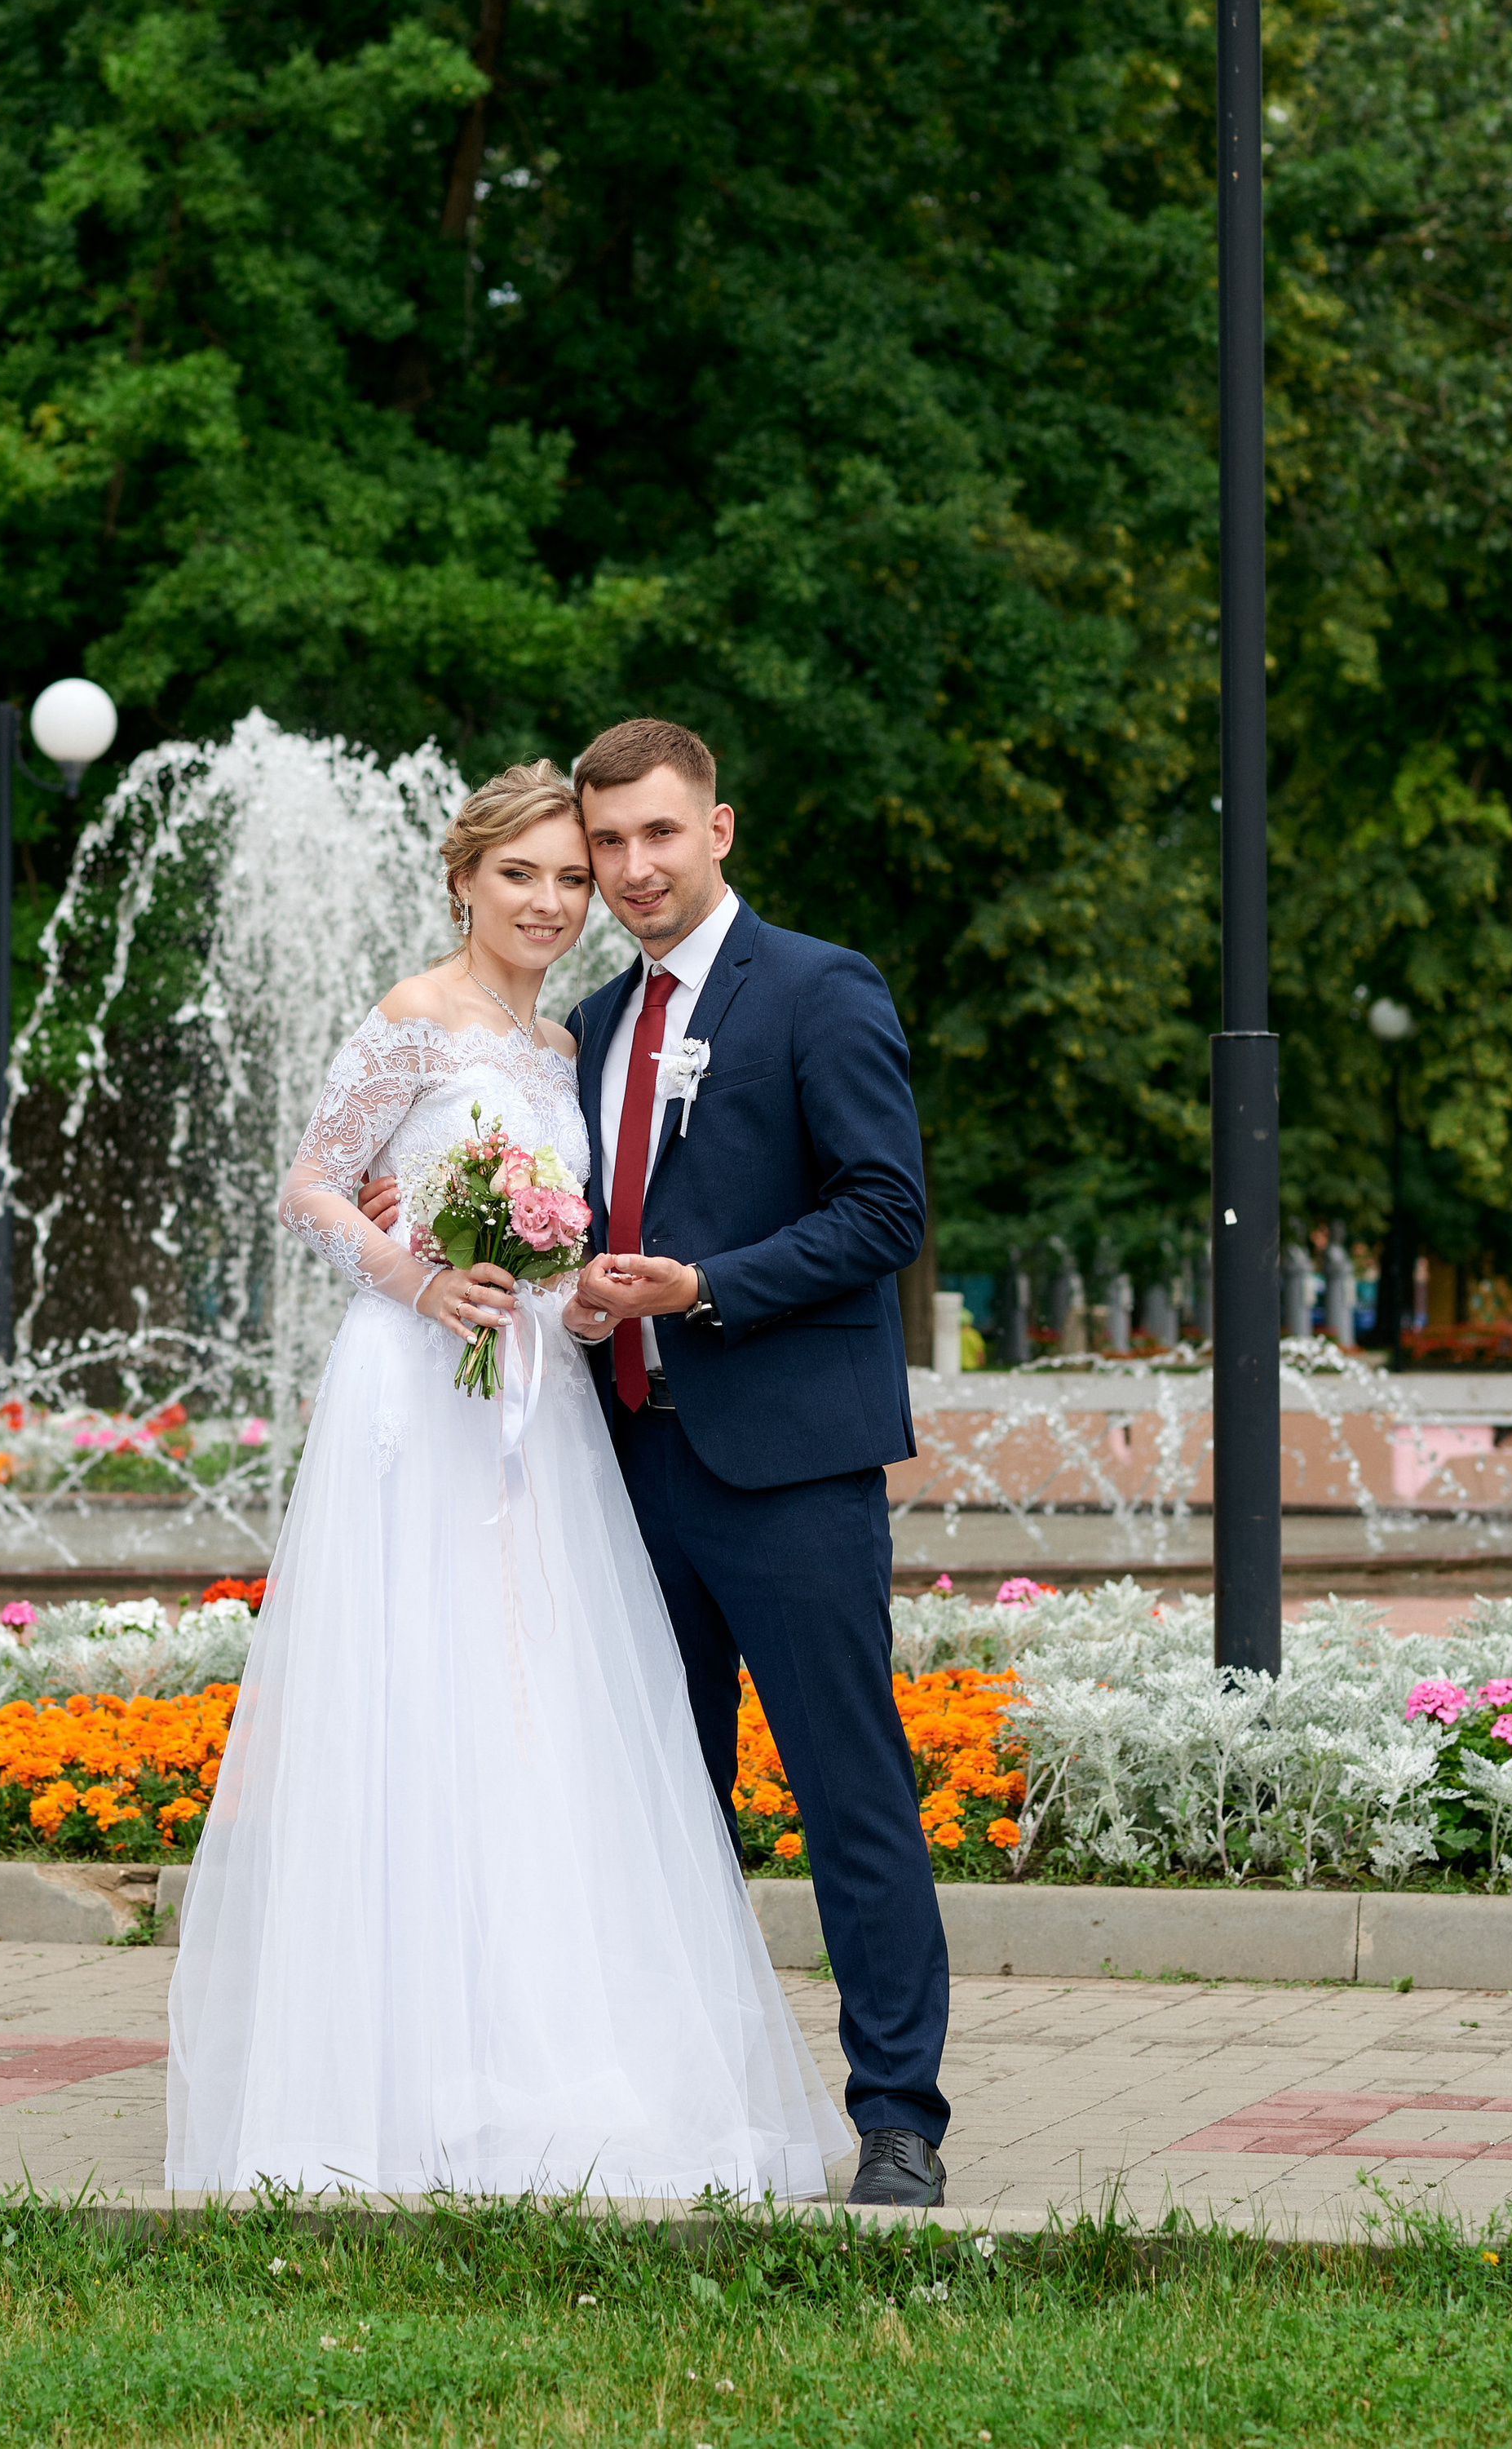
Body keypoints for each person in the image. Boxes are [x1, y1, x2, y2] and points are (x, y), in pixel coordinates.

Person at [166, 758, 844, 2199]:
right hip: (419, 1393)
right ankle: (394, 2078)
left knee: (545, 1713)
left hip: (543, 1402)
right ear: (464, 879)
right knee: (422, 1700)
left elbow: (577, 1230)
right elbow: (309, 1185)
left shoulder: (570, 1045)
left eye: (571, 879)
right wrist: (418, 1278)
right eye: (520, 874)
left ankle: (546, 2058)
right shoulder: (417, 1018)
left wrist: (582, 1297)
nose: (550, 901)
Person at [563, 718, 950, 2209]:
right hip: (625, 1467)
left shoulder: (819, 988)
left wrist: (704, 1286)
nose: (634, 866)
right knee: (664, 1803)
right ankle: (684, 2107)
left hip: (788, 1469)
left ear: (718, 830)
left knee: (852, 1794)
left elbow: (883, 1210)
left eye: (659, 834)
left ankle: (900, 2116)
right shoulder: (589, 1028)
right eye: (610, 844)